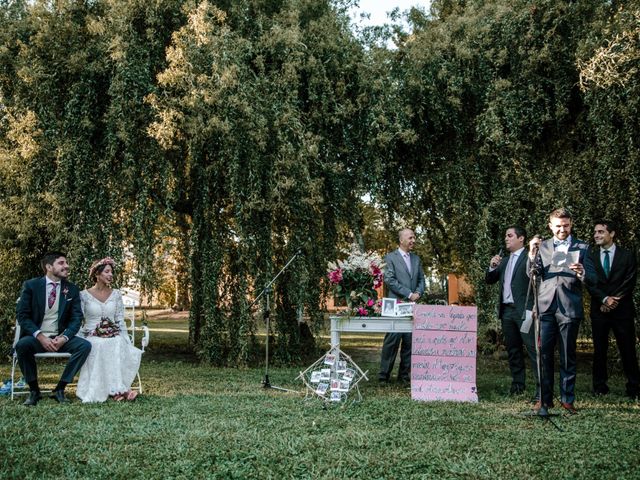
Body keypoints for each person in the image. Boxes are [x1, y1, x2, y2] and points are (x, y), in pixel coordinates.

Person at [528, 208, 595, 415]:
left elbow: (592, 277)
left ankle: (567, 399)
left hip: (569, 306)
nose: (562, 230)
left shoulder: (583, 247)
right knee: (544, 356)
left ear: (571, 224)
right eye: (558, 226)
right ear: (550, 226)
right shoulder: (543, 246)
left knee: (568, 355)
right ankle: (544, 399)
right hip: (545, 305)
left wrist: (583, 273)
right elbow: (532, 274)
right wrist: (531, 254)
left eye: (565, 226)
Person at [15, 252, 92, 406]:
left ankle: (60, 389)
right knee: (22, 345)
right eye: (61, 263)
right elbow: (22, 316)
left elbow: (76, 318)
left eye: (66, 263)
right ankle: (34, 391)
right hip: (37, 337)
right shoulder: (31, 286)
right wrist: (40, 336)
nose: (66, 266)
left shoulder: (72, 289)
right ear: (49, 267)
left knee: (84, 346)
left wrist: (64, 337)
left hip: (60, 337)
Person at [585, 220, 639, 399]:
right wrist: (604, 299)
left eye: (601, 232)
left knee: (628, 350)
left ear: (612, 234)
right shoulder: (590, 257)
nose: (596, 235)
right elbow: (590, 282)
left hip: (622, 310)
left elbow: (630, 280)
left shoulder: (627, 255)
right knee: (599, 350)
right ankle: (600, 387)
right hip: (599, 309)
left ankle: (634, 388)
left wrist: (613, 300)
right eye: (595, 232)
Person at [76, 257, 142, 402]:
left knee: (117, 342)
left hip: (113, 334)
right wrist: (79, 338)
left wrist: (125, 339)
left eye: (111, 272)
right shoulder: (83, 295)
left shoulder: (116, 294)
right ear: (97, 274)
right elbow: (78, 320)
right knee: (99, 344)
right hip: (92, 335)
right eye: (107, 272)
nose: (111, 275)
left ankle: (120, 390)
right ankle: (118, 392)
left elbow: (119, 319)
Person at [485, 226, 538, 397]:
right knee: (513, 350)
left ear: (521, 238)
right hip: (507, 312)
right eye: (506, 236)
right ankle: (517, 387)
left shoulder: (529, 257)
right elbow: (490, 280)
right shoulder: (504, 261)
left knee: (533, 349)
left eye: (510, 236)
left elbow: (539, 282)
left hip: (525, 311)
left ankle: (541, 388)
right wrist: (492, 267)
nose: (506, 239)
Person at [379, 228, 425, 383]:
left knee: (409, 341)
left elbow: (421, 280)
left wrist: (418, 292)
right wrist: (408, 293)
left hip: (412, 307)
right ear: (401, 240)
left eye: (414, 237)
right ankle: (383, 375)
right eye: (410, 238)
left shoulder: (417, 259)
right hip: (395, 306)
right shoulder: (390, 257)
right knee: (392, 340)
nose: (413, 240)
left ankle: (404, 376)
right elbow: (390, 280)